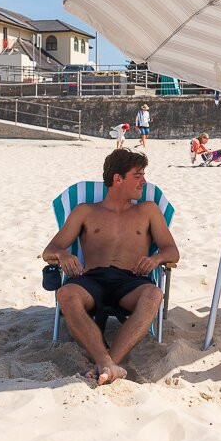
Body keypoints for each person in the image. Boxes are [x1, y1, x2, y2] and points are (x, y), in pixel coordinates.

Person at [42, 148, 180, 385]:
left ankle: (107, 362)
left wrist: (156, 259)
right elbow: (50, 250)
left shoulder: (147, 210)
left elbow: (172, 252)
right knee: (66, 294)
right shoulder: (85, 211)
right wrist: (63, 255)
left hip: (131, 280)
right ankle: (108, 363)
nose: (143, 182)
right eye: (137, 175)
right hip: (91, 279)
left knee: (154, 294)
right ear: (118, 178)